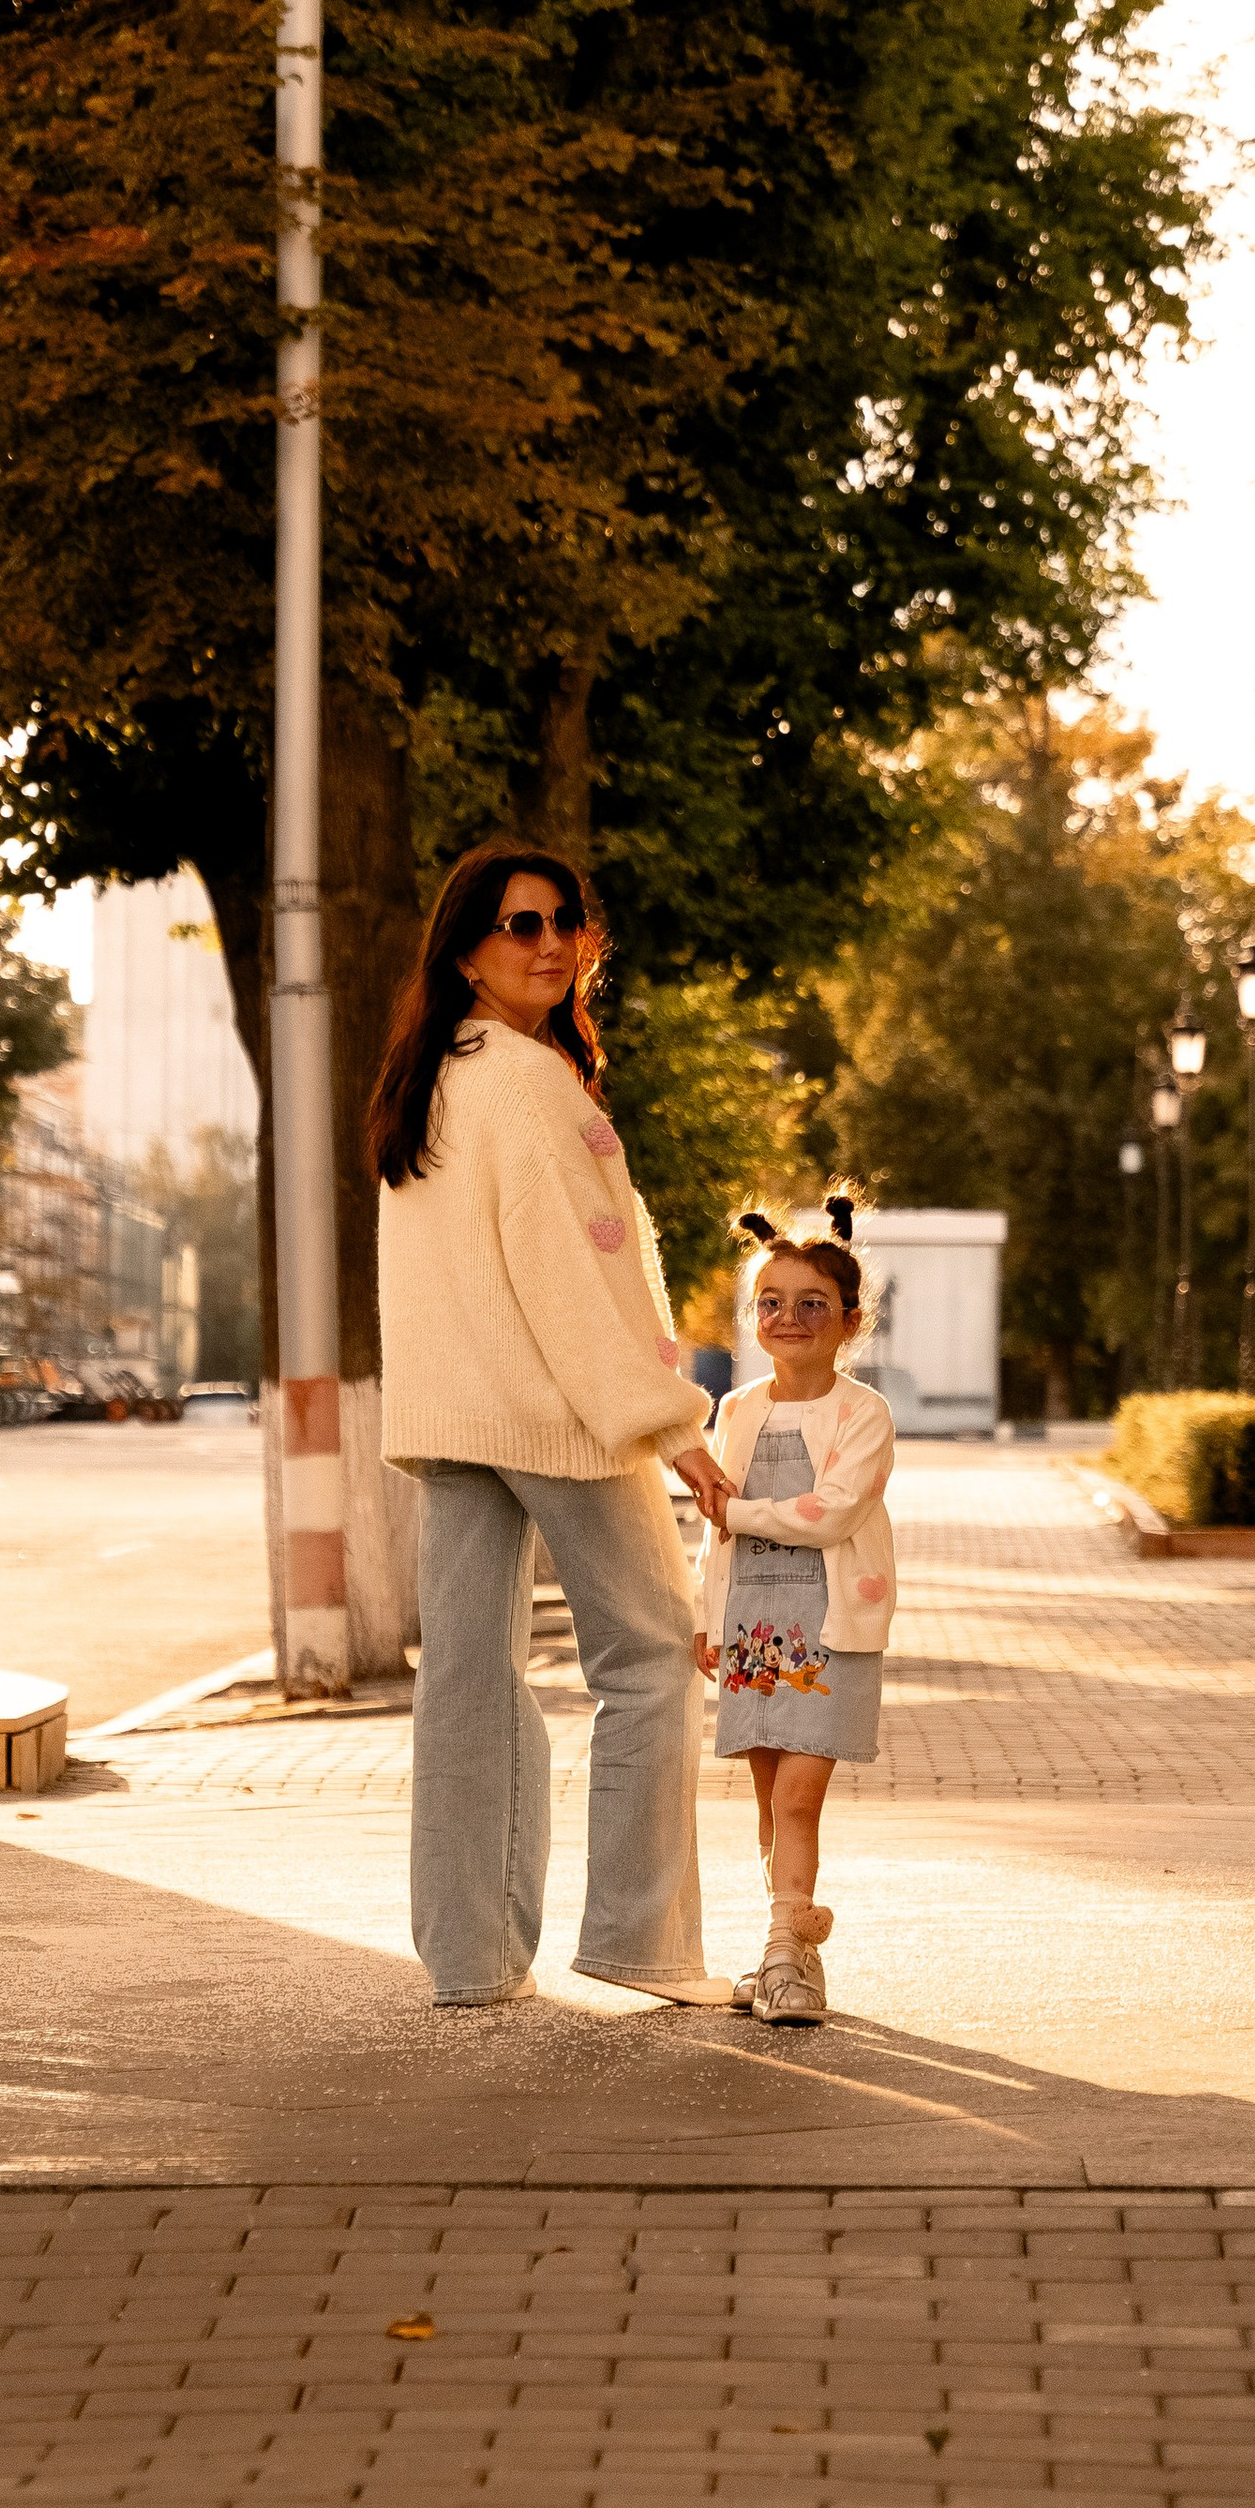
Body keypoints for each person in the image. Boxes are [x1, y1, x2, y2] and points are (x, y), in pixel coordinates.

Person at [369, 842, 732, 2007]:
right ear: (468, 952)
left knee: (466, 1687)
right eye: (518, 926)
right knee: (653, 1663)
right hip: (558, 1417)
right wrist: (673, 1428)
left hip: (456, 1422)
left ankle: (470, 1964)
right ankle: (642, 1942)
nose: (546, 944)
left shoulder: (428, 1080)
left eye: (561, 922)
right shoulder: (527, 1084)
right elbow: (576, 1287)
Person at [692, 1207, 897, 2026]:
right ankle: (791, 1945)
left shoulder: (864, 1415)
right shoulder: (737, 1409)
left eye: (812, 1303)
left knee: (800, 1800)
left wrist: (735, 1513)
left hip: (829, 1627)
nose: (788, 1318)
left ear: (851, 1320)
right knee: (768, 1799)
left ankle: (785, 1952)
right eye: (770, 1301)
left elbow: (829, 1513)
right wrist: (709, 1618)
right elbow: (714, 1546)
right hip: (751, 1630)